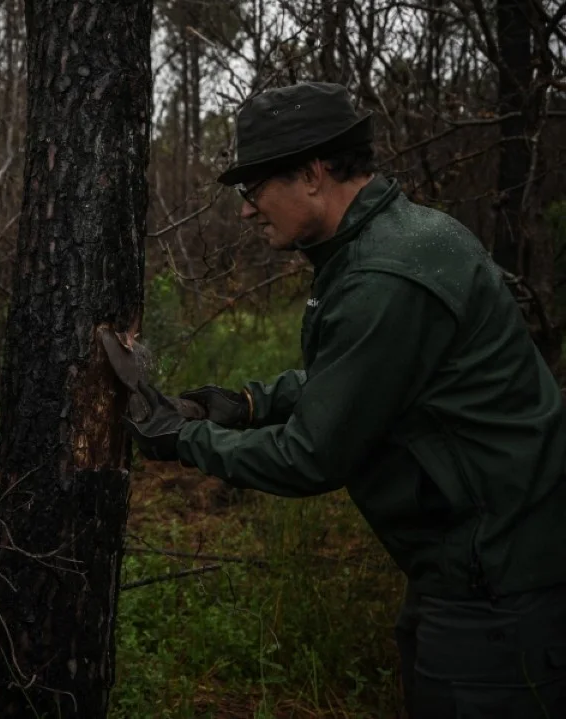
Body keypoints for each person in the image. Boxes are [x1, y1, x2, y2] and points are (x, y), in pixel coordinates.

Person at [120, 81, 566, 716]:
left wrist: (181, 438)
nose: (247, 210)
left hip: (497, 583)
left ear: (311, 173)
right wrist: (248, 404)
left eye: (253, 188)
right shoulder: (398, 239)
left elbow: (311, 457)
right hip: (473, 564)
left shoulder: (384, 276)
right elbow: (375, 380)